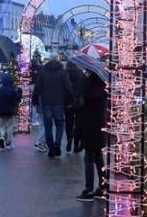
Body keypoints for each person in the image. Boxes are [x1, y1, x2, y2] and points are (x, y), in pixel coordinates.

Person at [32, 53, 72, 157]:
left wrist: (35, 101)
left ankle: (51, 149)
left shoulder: (43, 72)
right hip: (59, 103)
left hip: (46, 103)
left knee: (48, 126)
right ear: (58, 60)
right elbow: (68, 88)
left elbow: (37, 88)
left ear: (49, 60)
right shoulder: (63, 72)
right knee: (59, 125)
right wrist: (69, 101)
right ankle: (57, 144)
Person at [76, 68, 108, 202]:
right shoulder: (104, 88)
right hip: (101, 126)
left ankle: (88, 189)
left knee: (89, 158)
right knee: (98, 157)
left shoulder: (87, 90)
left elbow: (82, 109)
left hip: (89, 127)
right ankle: (103, 187)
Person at [0, 73, 22, 150]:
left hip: (1, 111)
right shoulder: (12, 91)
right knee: (9, 126)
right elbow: (18, 98)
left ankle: (2, 137)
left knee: (2, 125)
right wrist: (20, 91)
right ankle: (8, 143)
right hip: (10, 111)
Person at [65, 60, 86, 152]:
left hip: (67, 102)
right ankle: (76, 143)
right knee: (79, 123)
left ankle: (69, 139)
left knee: (68, 122)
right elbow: (84, 88)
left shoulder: (65, 74)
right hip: (79, 103)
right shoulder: (81, 74)